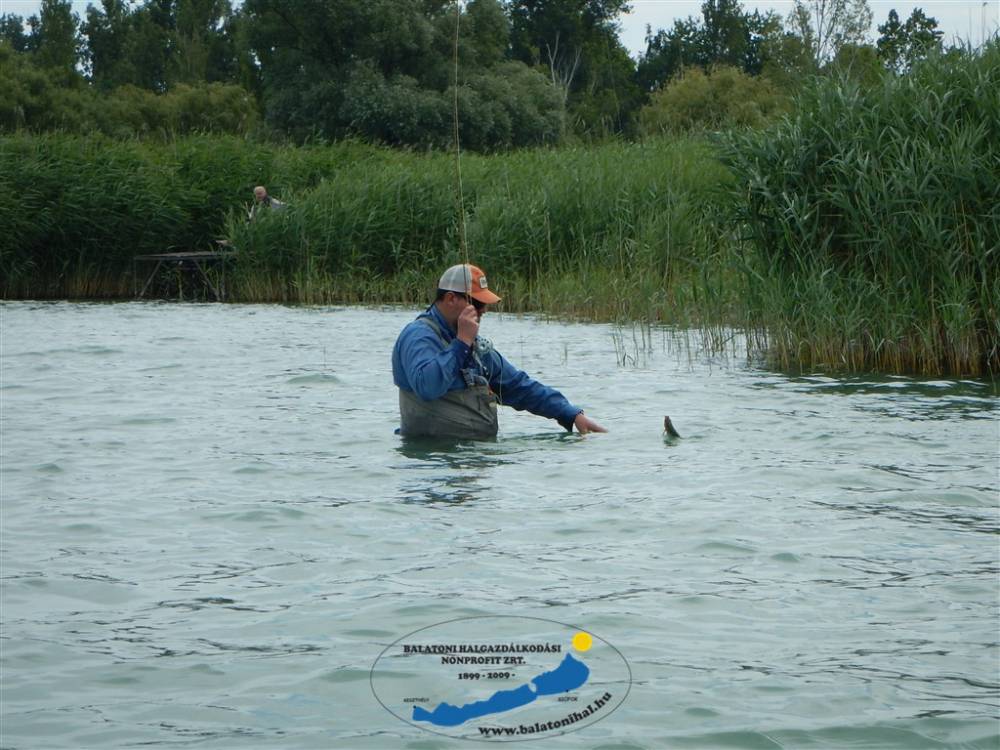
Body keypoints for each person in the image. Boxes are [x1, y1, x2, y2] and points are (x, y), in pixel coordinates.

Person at [392, 263, 606, 439]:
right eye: (477, 303)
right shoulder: (418, 336)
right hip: (430, 463)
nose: (484, 310)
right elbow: (427, 386)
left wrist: (570, 414)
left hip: (474, 460)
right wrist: (461, 343)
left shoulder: (474, 345)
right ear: (450, 299)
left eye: (485, 304)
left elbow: (518, 386)